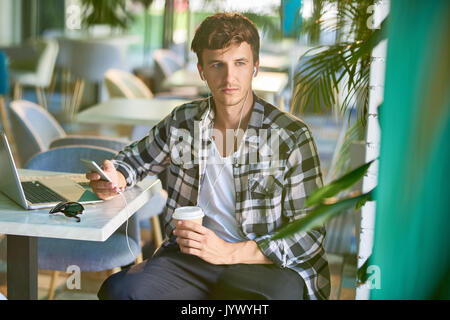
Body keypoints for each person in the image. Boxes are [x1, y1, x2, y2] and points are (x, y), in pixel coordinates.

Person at [89, 12, 330, 300]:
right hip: (190, 259)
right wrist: (115, 175)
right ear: (201, 69)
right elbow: (135, 160)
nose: (229, 77)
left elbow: (310, 233)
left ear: (255, 66)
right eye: (217, 64)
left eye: (240, 63)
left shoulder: (291, 135)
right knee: (119, 291)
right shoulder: (183, 122)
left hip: (263, 264)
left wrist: (229, 252)